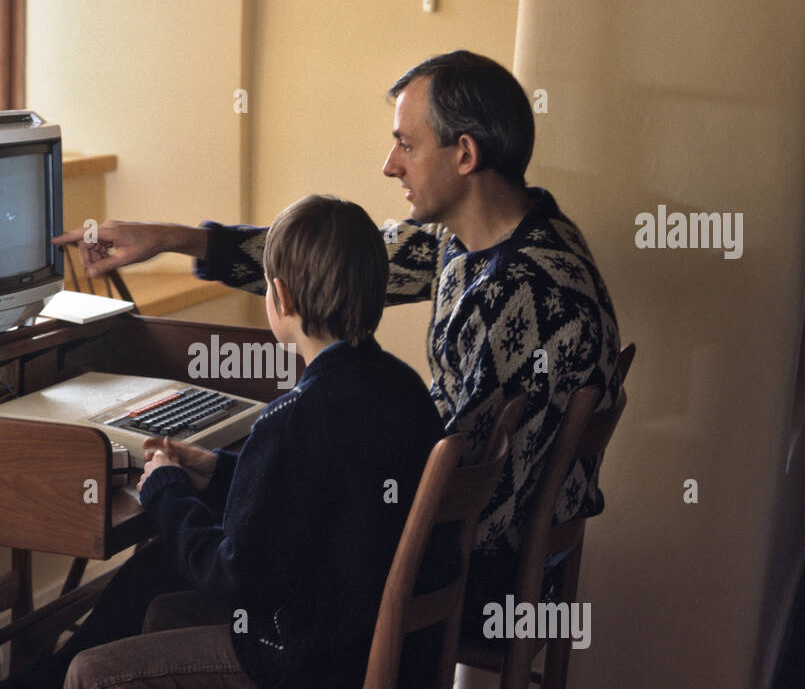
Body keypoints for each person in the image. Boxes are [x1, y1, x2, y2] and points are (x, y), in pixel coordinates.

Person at [58, 50, 622, 645]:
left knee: (195, 557)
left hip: (473, 582)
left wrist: (256, 487)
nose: (389, 165)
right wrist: (169, 239)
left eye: (406, 144)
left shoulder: (521, 293)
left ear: (464, 154)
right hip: (473, 552)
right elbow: (330, 263)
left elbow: (448, 493)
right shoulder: (497, 238)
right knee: (212, 535)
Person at [52, 193, 459, 689]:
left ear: (281, 297)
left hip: (320, 669)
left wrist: (165, 488)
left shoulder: (294, 417)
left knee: (90, 676)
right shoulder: (402, 391)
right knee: (166, 612)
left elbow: (232, 576)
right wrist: (217, 472)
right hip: (401, 660)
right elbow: (320, 500)